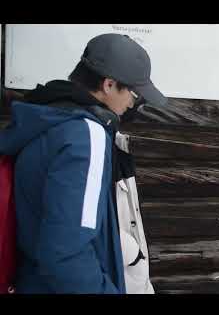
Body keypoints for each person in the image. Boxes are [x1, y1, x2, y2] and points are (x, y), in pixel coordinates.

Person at [0, 33, 167, 293]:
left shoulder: (48, 119)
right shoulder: (85, 136)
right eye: (135, 93)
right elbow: (65, 256)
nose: (134, 102)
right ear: (109, 85)